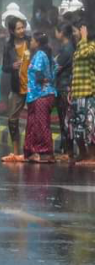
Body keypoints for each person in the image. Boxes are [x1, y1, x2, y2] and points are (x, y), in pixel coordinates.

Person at [1, 18, 32, 163]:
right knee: (12, 119)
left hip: (33, 86)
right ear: (12, 31)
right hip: (17, 86)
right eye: (18, 28)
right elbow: (4, 67)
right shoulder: (8, 46)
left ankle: (33, 151)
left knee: (35, 120)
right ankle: (15, 151)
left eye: (22, 27)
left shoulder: (31, 42)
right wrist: (12, 66)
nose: (21, 31)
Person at [23, 32, 57, 164]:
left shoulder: (39, 55)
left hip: (40, 94)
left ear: (37, 42)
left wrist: (42, 80)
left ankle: (45, 153)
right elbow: (55, 69)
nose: (30, 42)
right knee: (34, 124)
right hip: (43, 94)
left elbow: (37, 74)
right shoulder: (48, 55)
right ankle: (33, 152)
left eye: (31, 40)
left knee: (41, 125)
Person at [71, 22, 95, 165]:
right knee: (77, 125)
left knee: (90, 126)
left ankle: (91, 156)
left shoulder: (91, 46)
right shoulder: (80, 46)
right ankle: (83, 153)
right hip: (77, 93)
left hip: (88, 93)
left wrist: (84, 37)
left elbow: (86, 54)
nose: (73, 34)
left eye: (75, 31)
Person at [54, 22, 76, 162]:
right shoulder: (67, 48)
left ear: (61, 32)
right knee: (65, 119)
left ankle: (68, 150)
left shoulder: (67, 49)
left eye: (56, 32)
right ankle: (65, 147)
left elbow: (56, 68)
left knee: (65, 120)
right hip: (63, 86)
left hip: (64, 87)